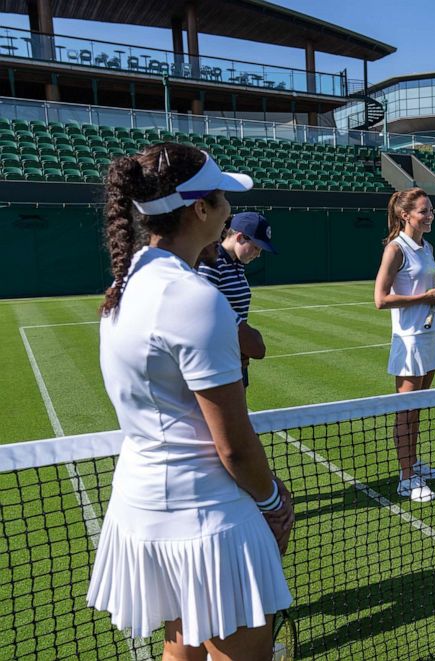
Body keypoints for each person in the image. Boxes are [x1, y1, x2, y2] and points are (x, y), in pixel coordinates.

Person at [87, 143, 293, 660]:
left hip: (144, 508)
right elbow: (234, 447)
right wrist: (273, 501)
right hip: (206, 518)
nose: (227, 207)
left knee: (181, 650)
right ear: (201, 209)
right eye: (221, 197)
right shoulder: (196, 298)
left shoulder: (126, 281)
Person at [373, 188, 435, 503]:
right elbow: (380, 300)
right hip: (409, 340)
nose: (430, 215)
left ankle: (413, 462)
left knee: (417, 409)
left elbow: (428, 288)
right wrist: (424, 297)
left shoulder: (427, 246)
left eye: (431, 210)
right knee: (405, 413)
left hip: (429, 335)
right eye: (424, 211)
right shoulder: (396, 249)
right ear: (405, 215)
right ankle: (406, 478)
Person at [198, 211, 277, 388]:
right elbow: (202, 312)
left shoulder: (237, 264)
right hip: (216, 362)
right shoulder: (211, 263)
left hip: (235, 358)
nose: (258, 254)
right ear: (240, 237)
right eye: (256, 247)